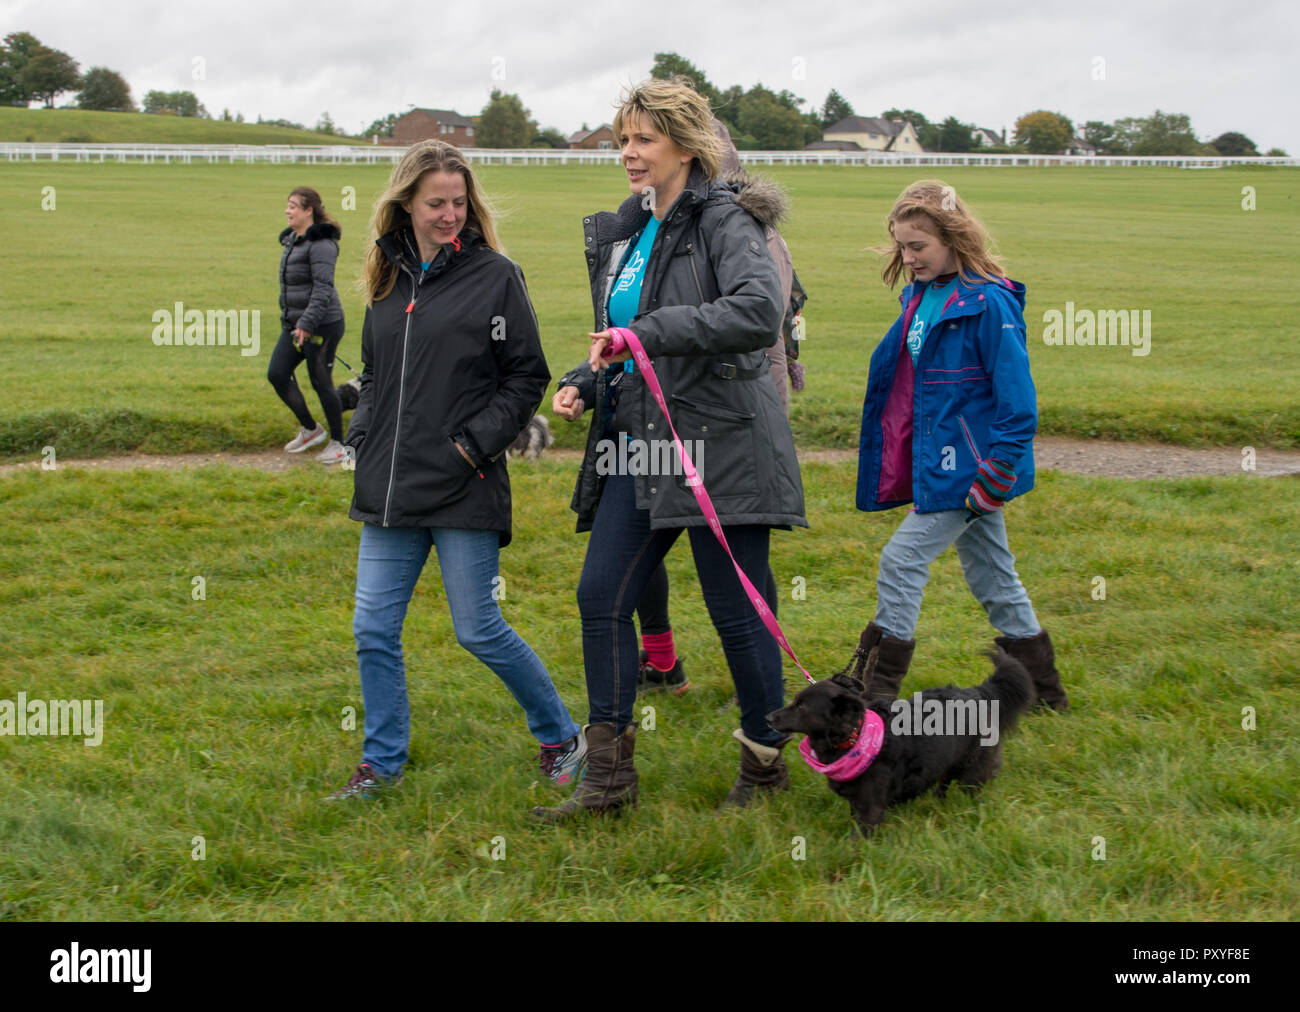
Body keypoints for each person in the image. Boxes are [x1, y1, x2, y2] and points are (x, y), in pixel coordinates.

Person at [535, 78, 807, 823]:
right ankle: (609, 782)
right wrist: (584, 381)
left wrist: (645, 335)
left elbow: (757, 311)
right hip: (641, 444)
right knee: (602, 597)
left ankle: (764, 766)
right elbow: (624, 335)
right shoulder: (628, 230)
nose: (627, 152)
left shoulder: (727, 217)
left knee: (735, 609)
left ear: (686, 147)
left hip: (722, 443)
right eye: (623, 138)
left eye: (644, 139)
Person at [325, 140, 586, 800]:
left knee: (477, 628)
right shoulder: (386, 276)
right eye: (436, 203)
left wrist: (472, 448)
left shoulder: (496, 275)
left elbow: (525, 372)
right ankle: (381, 765)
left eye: (458, 202)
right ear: (406, 203)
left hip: (462, 481)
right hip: (388, 483)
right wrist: (362, 434)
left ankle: (562, 736)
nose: (449, 214)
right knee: (371, 629)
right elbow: (376, 371)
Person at [845, 180, 1068, 711]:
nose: (907, 257)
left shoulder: (990, 304)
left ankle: (874, 698)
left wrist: (998, 472)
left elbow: (1019, 403)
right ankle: (1044, 695)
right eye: (901, 245)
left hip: (971, 473)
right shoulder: (918, 296)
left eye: (918, 246)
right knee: (993, 573)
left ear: (953, 238)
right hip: (940, 465)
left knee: (901, 560)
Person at [270, 187, 349, 465]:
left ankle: (341, 444)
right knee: (277, 374)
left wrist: (307, 322)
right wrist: (296, 320)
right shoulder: (293, 240)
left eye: (293, 206)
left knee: (321, 383)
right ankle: (310, 429)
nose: (287, 211)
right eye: (287, 205)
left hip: (323, 325)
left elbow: (323, 288)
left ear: (308, 210)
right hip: (295, 325)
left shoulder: (322, 244)